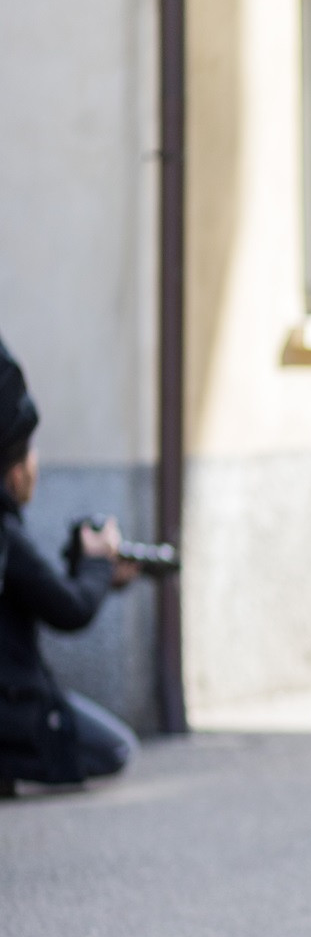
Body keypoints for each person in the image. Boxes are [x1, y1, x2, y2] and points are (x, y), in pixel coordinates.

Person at [0, 336, 139, 793]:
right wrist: (98, 562)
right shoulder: (6, 532)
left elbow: (40, 590)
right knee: (117, 748)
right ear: (15, 470)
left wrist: (102, 574)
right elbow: (68, 608)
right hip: (15, 706)